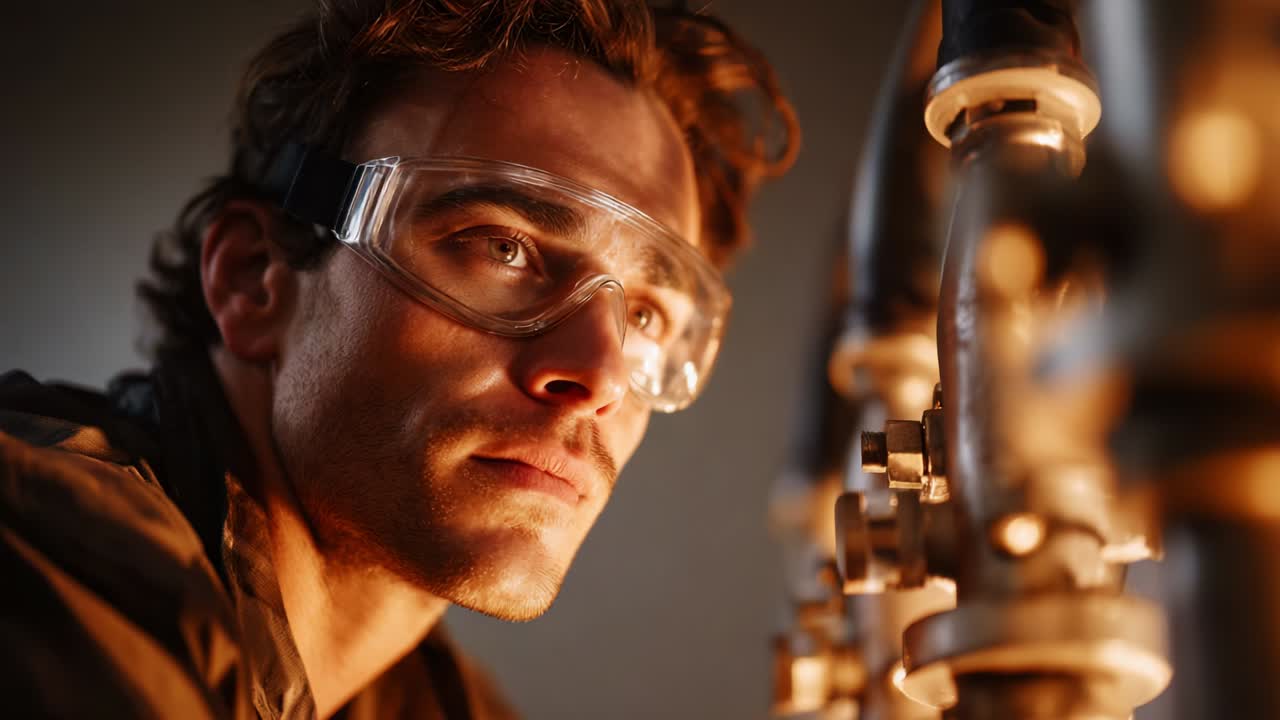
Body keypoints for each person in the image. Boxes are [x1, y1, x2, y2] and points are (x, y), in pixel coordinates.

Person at [0, 0, 798, 717]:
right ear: (254, 280)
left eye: (646, 315)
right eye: (504, 247)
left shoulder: (432, 701)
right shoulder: (53, 562)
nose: (600, 377)